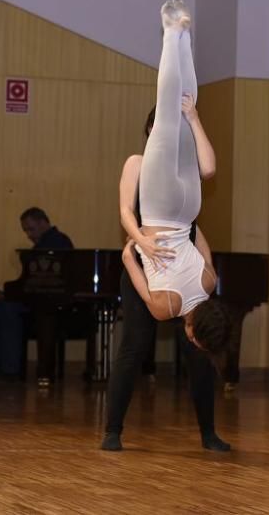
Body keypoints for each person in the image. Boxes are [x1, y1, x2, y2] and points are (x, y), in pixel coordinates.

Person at [101, 106, 231, 452]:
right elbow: (126, 211)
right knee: (134, 346)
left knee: (197, 352)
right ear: (151, 131)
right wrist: (141, 243)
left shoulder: (186, 168)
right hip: (146, 269)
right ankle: (112, 431)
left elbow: (209, 169)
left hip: (183, 275)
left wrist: (193, 117)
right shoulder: (137, 164)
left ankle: (208, 434)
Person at [121, 0, 230, 351]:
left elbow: (199, 238)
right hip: (162, 211)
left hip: (188, 210)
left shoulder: (209, 281)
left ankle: (183, 35)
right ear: (193, 334)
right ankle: (171, 33)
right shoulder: (162, 308)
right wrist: (142, 241)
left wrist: (178, 234)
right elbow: (126, 256)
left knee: (183, 113)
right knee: (170, 116)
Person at [0, 208, 74, 379]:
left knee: (7, 309)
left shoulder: (56, 244)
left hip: (50, 305)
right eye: (25, 230)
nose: (28, 235)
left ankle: (10, 370)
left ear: (43, 223)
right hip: (38, 301)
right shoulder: (44, 244)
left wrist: (14, 294)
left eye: (30, 229)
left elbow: (45, 284)